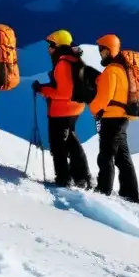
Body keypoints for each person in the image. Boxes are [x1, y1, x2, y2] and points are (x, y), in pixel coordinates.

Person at [32, 30, 92, 188]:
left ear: (58, 46)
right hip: (74, 109)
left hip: (61, 110)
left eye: (51, 45)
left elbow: (63, 92)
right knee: (71, 142)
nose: (48, 49)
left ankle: (64, 178)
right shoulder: (74, 60)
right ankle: (82, 177)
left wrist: (42, 90)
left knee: (58, 145)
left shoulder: (62, 63)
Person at [88, 34, 139, 202]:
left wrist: (94, 109)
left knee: (106, 155)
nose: (100, 54)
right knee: (121, 156)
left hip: (111, 118)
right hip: (122, 118)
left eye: (101, 50)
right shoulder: (123, 69)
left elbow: (105, 97)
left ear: (108, 50)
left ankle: (104, 189)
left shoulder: (112, 70)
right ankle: (130, 192)